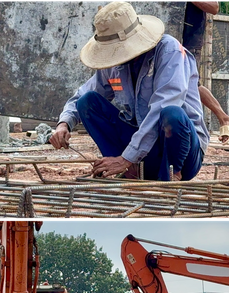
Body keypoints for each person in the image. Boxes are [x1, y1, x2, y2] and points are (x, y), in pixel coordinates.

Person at [50, 1, 209, 181]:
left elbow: (164, 105)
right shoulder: (112, 63)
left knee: (171, 113)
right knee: (87, 103)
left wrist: (128, 157)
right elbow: (84, 93)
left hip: (183, 150)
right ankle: (127, 170)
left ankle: (172, 175)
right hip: (143, 151)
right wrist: (64, 123)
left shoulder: (169, 51)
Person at [184, 1, 229, 144]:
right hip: (165, 35)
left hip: (189, 38)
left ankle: (222, 118)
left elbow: (214, 7)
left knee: (190, 82)